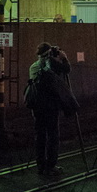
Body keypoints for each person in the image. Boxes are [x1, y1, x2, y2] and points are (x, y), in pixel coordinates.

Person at [30, 42, 71, 176]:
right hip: (51, 106)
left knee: (40, 136)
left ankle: (40, 166)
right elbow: (67, 69)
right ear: (49, 53)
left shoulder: (34, 67)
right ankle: (51, 166)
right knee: (53, 135)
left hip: (37, 107)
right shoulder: (52, 66)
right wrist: (63, 57)